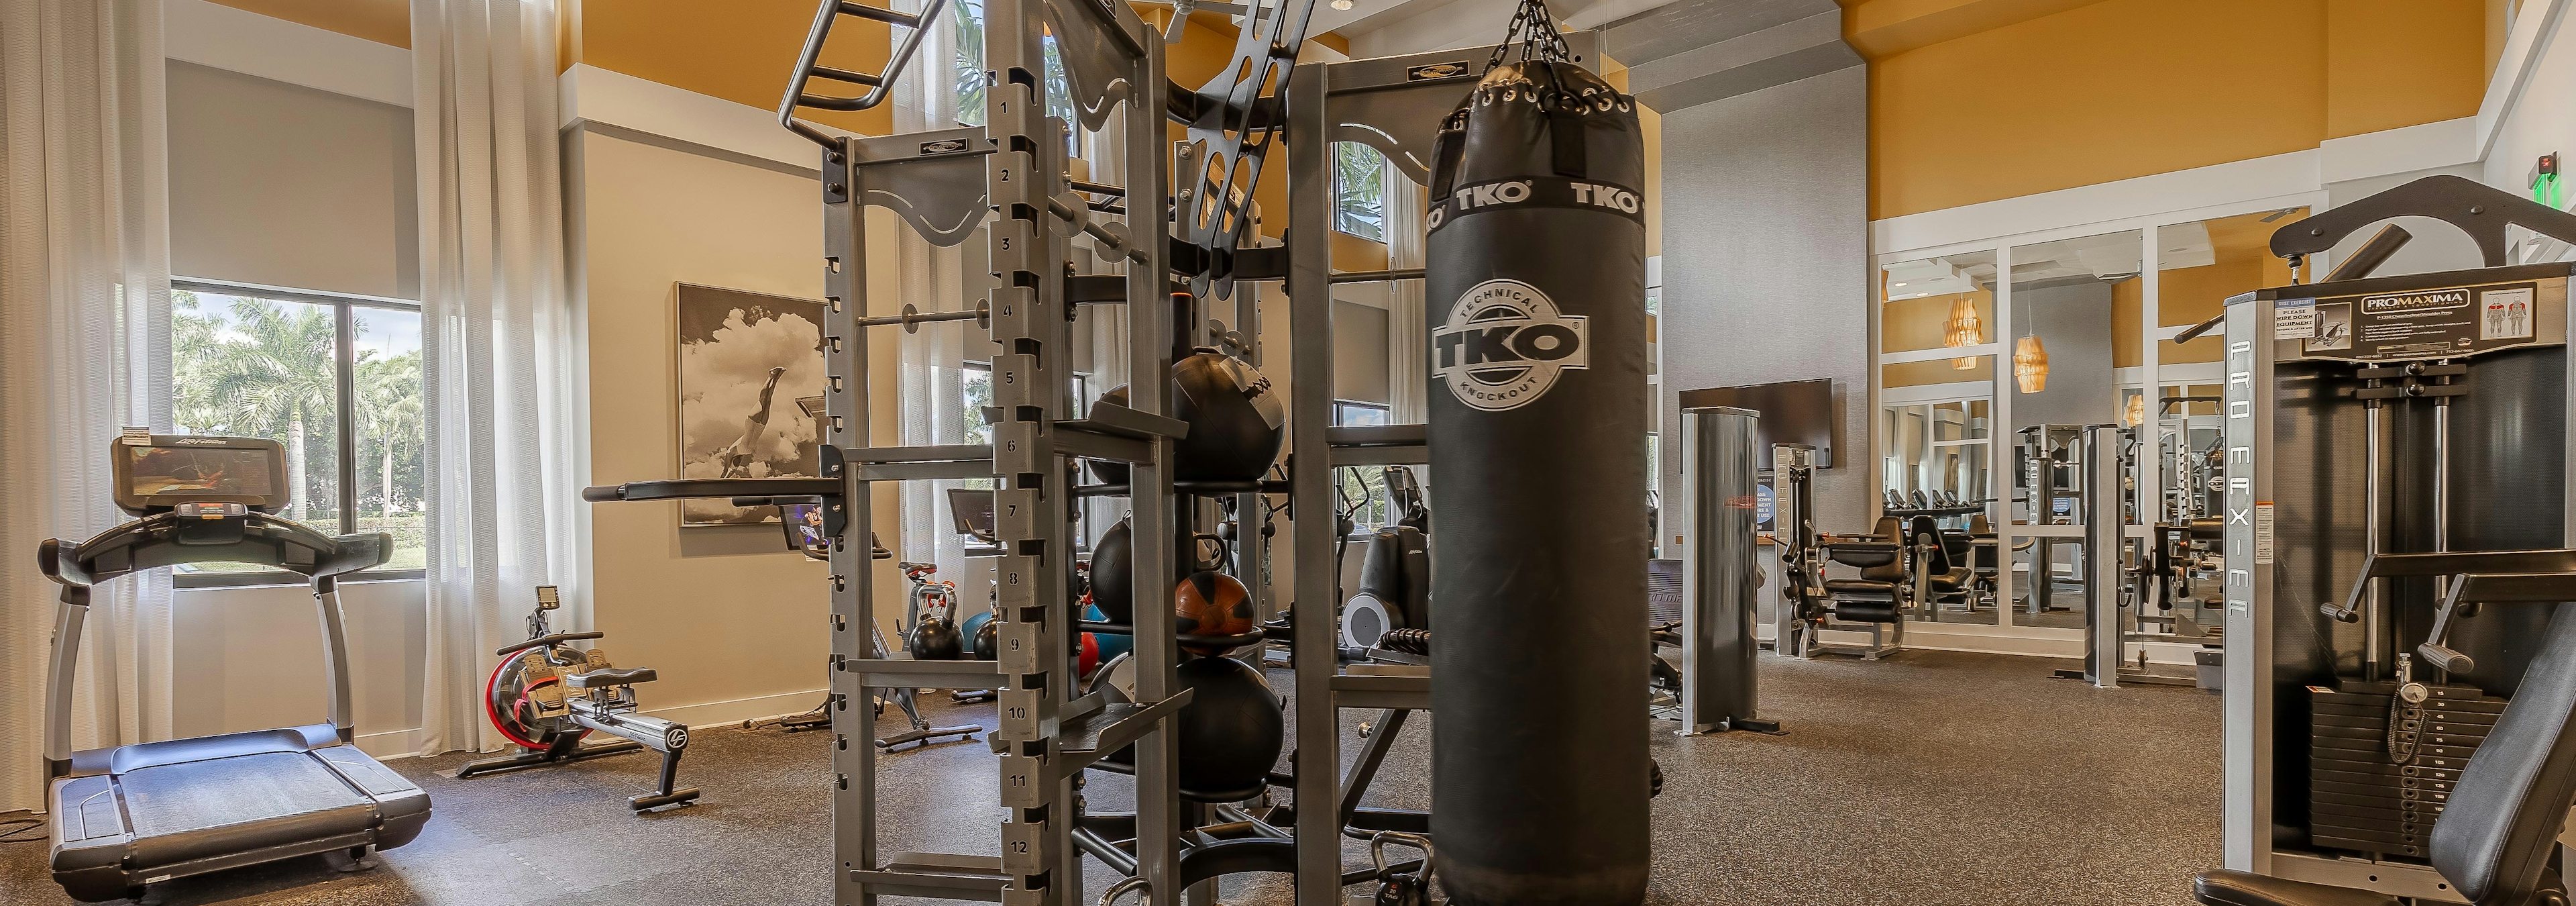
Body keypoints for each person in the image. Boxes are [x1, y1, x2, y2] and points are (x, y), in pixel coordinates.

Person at [717, 366, 788, 479]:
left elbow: (726, 471)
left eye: (736, 463)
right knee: (769, 401)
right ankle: (777, 376)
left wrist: (718, 484)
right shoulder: (744, 454)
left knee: (762, 400)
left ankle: (771, 375)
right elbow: (731, 472)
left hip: (752, 423)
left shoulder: (730, 452)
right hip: (761, 426)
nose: (738, 463)